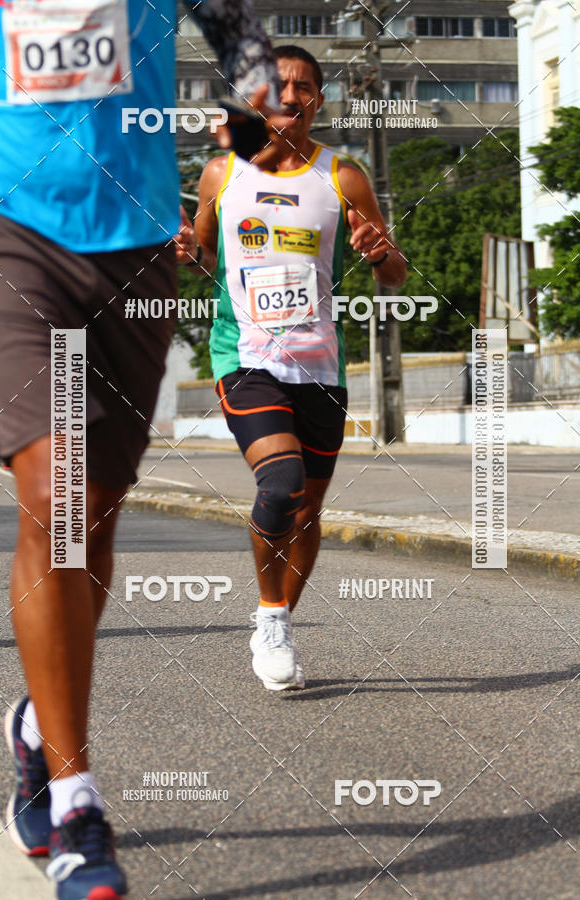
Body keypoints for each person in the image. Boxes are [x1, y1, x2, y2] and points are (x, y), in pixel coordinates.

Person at [0, 3, 288, 898]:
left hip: (138, 242)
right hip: (6, 227)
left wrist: (255, 107)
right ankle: (77, 803)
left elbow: (236, 30)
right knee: (59, 496)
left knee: (95, 515)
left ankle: (39, 729)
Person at [176, 45, 407, 692]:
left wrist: (379, 251)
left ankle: (275, 619)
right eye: (278, 85)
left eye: (304, 87)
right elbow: (203, 256)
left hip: (321, 368)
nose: (290, 95)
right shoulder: (221, 173)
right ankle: (272, 616)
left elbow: (394, 273)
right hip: (245, 356)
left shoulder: (344, 177)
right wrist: (186, 251)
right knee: (280, 486)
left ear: (318, 102)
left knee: (306, 514)